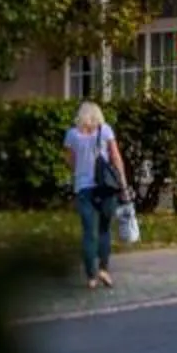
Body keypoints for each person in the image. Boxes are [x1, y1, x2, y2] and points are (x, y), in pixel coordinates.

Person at [63, 99, 130, 290]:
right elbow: (116, 157)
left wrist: (81, 171)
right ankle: (104, 269)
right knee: (104, 229)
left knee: (88, 233)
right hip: (106, 188)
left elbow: (70, 162)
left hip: (84, 189)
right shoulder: (106, 130)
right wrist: (123, 183)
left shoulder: (72, 135)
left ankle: (91, 277)